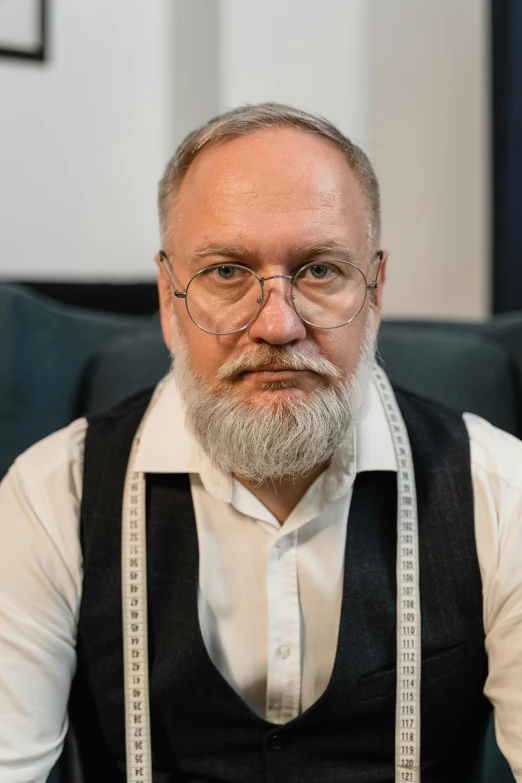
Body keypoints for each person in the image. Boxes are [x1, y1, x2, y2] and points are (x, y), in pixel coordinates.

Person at [0, 103, 521, 783]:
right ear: (168, 297)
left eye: (321, 270)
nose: (277, 324)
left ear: (376, 290)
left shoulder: (498, 489)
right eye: (226, 272)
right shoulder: (49, 498)